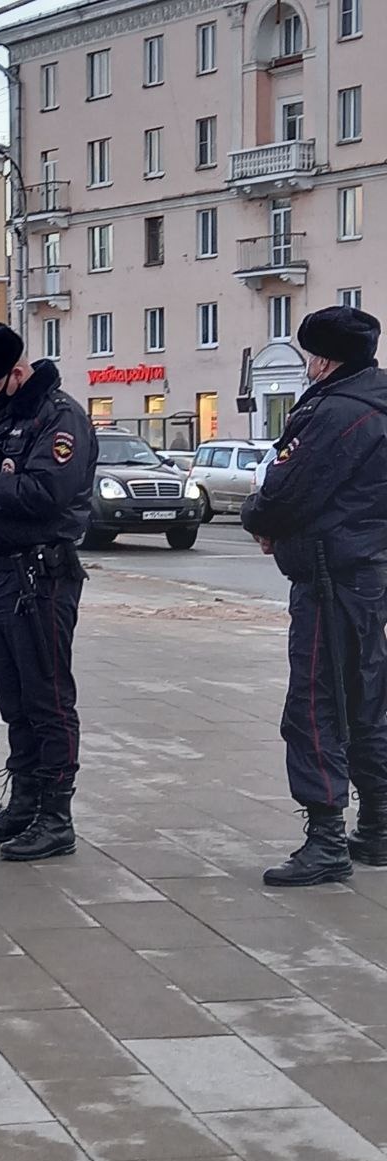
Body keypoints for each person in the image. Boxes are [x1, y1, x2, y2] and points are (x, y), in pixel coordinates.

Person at [242, 305, 387, 887]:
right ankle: (377, 827)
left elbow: (285, 489)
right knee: (366, 699)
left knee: (312, 706)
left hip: (328, 578)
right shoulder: (375, 403)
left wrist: (260, 518)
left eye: (309, 355)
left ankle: (325, 837)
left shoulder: (333, 413)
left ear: (324, 359)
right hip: (365, 572)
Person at [0, 323, 97, 861]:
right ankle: (26, 799)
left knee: (48, 697)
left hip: (41, 575)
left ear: (18, 373)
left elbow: (49, 492)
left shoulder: (59, 417)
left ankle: (56, 814)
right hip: (2, 572)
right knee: (13, 696)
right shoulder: (7, 416)